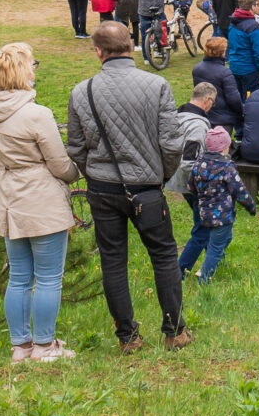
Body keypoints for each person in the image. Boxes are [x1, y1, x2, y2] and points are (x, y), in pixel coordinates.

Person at [65, 22, 189, 352]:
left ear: (98, 51)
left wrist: (91, 175)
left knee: (113, 260)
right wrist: (161, 175)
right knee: (163, 256)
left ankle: (128, 338)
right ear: (131, 45)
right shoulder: (157, 84)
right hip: (146, 186)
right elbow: (172, 143)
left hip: (103, 187)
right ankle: (174, 331)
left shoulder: (82, 91)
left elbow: (76, 147)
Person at [0, 42, 82, 363]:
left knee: (20, 277)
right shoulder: (37, 114)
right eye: (33, 64)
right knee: (49, 277)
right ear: (24, 71)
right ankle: (44, 346)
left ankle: (21, 347)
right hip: (40, 199)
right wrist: (76, 172)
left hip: (8, 198)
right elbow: (59, 163)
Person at [178, 127, 257, 284]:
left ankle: (207, 266)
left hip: (204, 213)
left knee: (225, 238)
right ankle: (204, 280)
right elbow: (238, 190)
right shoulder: (226, 166)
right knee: (215, 247)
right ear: (225, 147)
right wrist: (250, 205)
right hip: (223, 215)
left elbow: (190, 186)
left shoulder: (198, 163)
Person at [192, 37, 244, 131]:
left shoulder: (197, 69)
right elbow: (233, 99)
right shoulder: (225, 73)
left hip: (203, 115)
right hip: (222, 120)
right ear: (221, 53)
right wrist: (242, 111)